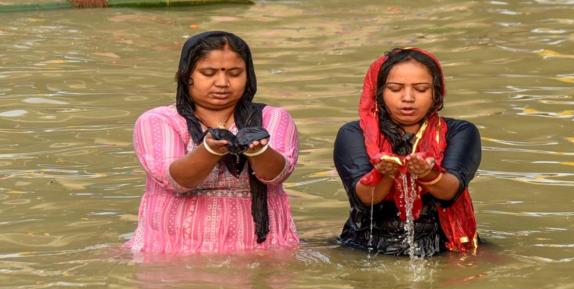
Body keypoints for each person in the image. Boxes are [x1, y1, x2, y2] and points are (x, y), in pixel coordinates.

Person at [126, 31, 299, 254]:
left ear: (249, 76)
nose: (222, 83)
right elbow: (176, 180)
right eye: (208, 73)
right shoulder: (158, 120)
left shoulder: (273, 118)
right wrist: (208, 150)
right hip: (173, 249)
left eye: (235, 73)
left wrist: (259, 151)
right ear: (186, 75)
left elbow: (277, 174)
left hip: (262, 247)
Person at [333, 48, 481, 257]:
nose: (408, 98)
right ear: (379, 92)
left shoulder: (459, 132)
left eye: (420, 89)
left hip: (444, 247)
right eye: (395, 89)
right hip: (366, 248)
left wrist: (428, 174)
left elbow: (450, 191)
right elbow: (366, 199)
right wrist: (385, 173)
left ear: (436, 93)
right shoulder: (354, 133)